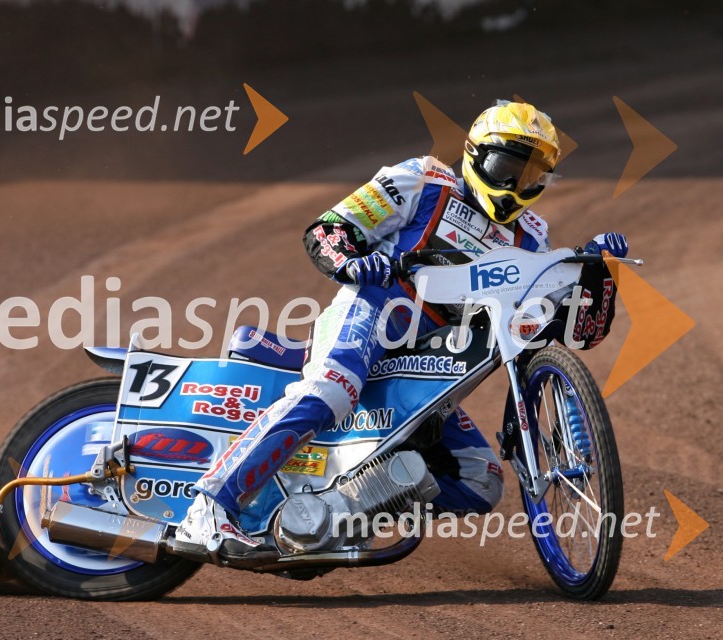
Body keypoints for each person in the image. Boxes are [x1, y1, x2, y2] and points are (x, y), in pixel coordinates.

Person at [174, 100, 628, 559]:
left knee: (480, 479)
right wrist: (355, 261)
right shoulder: (424, 178)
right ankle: (209, 507)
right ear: (473, 155)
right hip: (374, 309)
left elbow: (576, 334)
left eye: (530, 176)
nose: (514, 185)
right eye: (505, 167)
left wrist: (595, 273)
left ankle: (333, 510)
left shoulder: (532, 237)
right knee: (331, 389)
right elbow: (328, 230)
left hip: (433, 361)